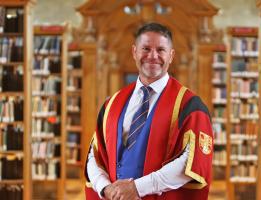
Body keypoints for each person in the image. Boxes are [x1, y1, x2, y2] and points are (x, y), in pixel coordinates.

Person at [85, 22, 213, 200]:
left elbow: (192, 162)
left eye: (160, 49)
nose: (152, 56)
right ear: (134, 52)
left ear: (171, 55)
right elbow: (95, 154)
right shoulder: (112, 104)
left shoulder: (189, 106)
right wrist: (105, 188)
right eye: (146, 48)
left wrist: (137, 188)